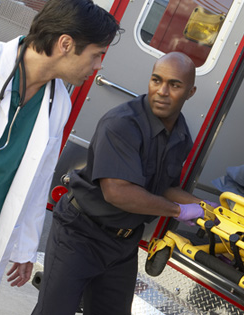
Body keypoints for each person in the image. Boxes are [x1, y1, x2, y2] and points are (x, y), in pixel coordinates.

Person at [0, 0, 120, 314]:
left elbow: (39, 179)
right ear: (66, 44)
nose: (97, 67)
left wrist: (26, 248)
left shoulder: (58, 104)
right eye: (97, 55)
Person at [32, 51, 214, 315]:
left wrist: (207, 209)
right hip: (80, 234)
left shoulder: (182, 134)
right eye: (156, 80)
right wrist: (178, 211)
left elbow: (163, 187)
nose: (162, 91)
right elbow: (118, 193)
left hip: (123, 243)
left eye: (174, 85)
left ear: (191, 92)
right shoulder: (121, 124)